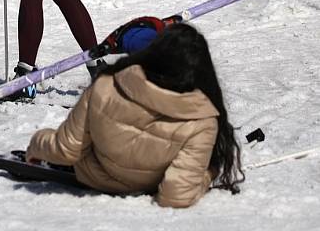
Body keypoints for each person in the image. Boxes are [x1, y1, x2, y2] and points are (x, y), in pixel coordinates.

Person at [26, 23, 245, 206]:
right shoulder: (203, 120)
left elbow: (66, 148)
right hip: (152, 182)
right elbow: (175, 194)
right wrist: (208, 174)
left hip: (96, 176)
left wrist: (37, 145)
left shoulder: (106, 85)